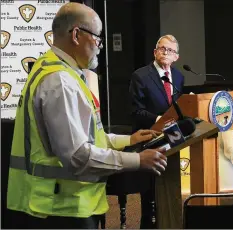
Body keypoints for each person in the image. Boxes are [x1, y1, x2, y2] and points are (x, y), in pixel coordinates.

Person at [6, 3, 167, 229]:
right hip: (60, 210)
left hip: (55, 205)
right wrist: (138, 160)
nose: (100, 46)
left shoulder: (53, 69)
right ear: (76, 35)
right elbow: (78, 156)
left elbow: (88, 136)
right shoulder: (60, 82)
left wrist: (129, 140)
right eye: (97, 38)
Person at [129, 35, 184, 228]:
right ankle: (148, 224)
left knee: (171, 187)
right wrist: (159, 120)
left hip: (173, 138)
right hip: (149, 138)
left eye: (170, 50)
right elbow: (136, 111)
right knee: (151, 192)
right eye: (162, 48)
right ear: (155, 52)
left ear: (176, 56)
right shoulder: (141, 76)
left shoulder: (178, 77)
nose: (165, 52)